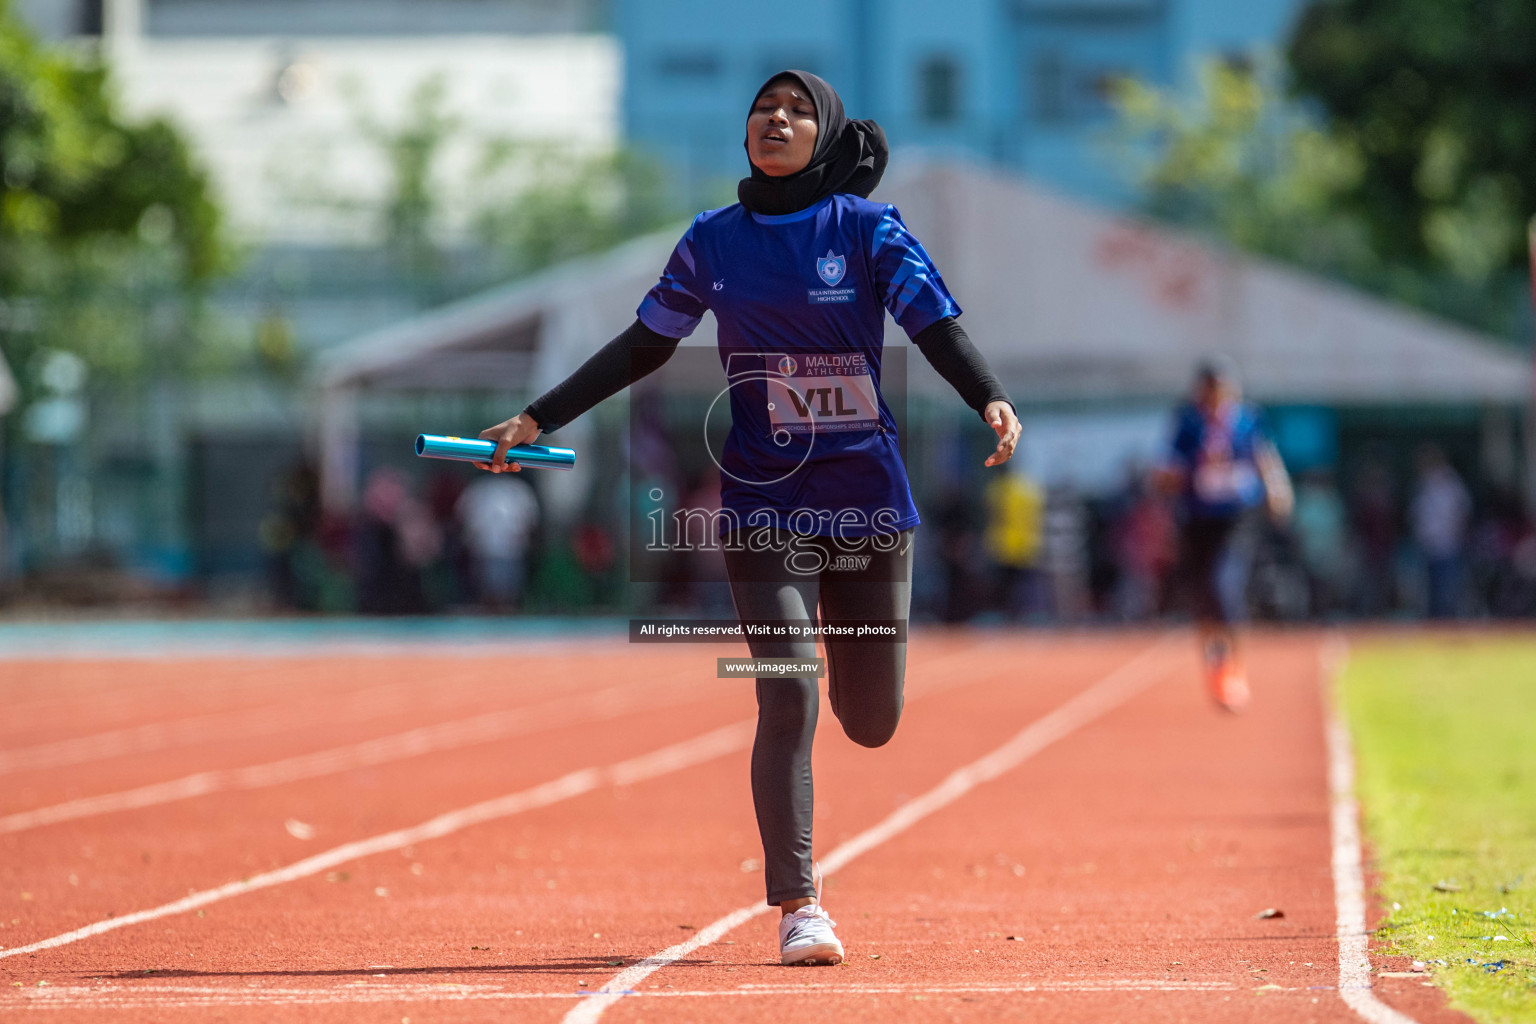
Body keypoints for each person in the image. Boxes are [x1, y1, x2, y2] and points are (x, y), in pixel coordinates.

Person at [473, 70, 1020, 965]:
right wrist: (539, 417)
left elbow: (934, 327)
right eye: (765, 106)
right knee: (786, 690)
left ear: (826, 135)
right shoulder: (712, 243)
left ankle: (855, 693)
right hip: (763, 504)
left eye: (799, 109)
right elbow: (646, 342)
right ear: (746, 133)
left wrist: (990, 397)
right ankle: (801, 905)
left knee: (871, 717)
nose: (777, 117)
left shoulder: (869, 231)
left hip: (868, 506)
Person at [1158, 358, 1291, 711]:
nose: (1218, 398)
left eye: (1224, 391)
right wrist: (1184, 472)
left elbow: (1265, 456)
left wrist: (1277, 490)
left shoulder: (1248, 419)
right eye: (1211, 392)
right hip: (1197, 519)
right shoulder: (1188, 422)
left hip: (1236, 517)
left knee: (1224, 584)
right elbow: (1168, 467)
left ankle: (1234, 666)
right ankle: (1214, 663)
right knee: (1202, 594)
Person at [1410, 445, 1471, 619]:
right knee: (1431, 595)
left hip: (1449, 547)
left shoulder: (1451, 484)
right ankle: (1434, 633)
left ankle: (1449, 631)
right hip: (1428, 548)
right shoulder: (1423, 485)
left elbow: (1462, 514)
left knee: (1448, 593)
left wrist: (1458, 539)